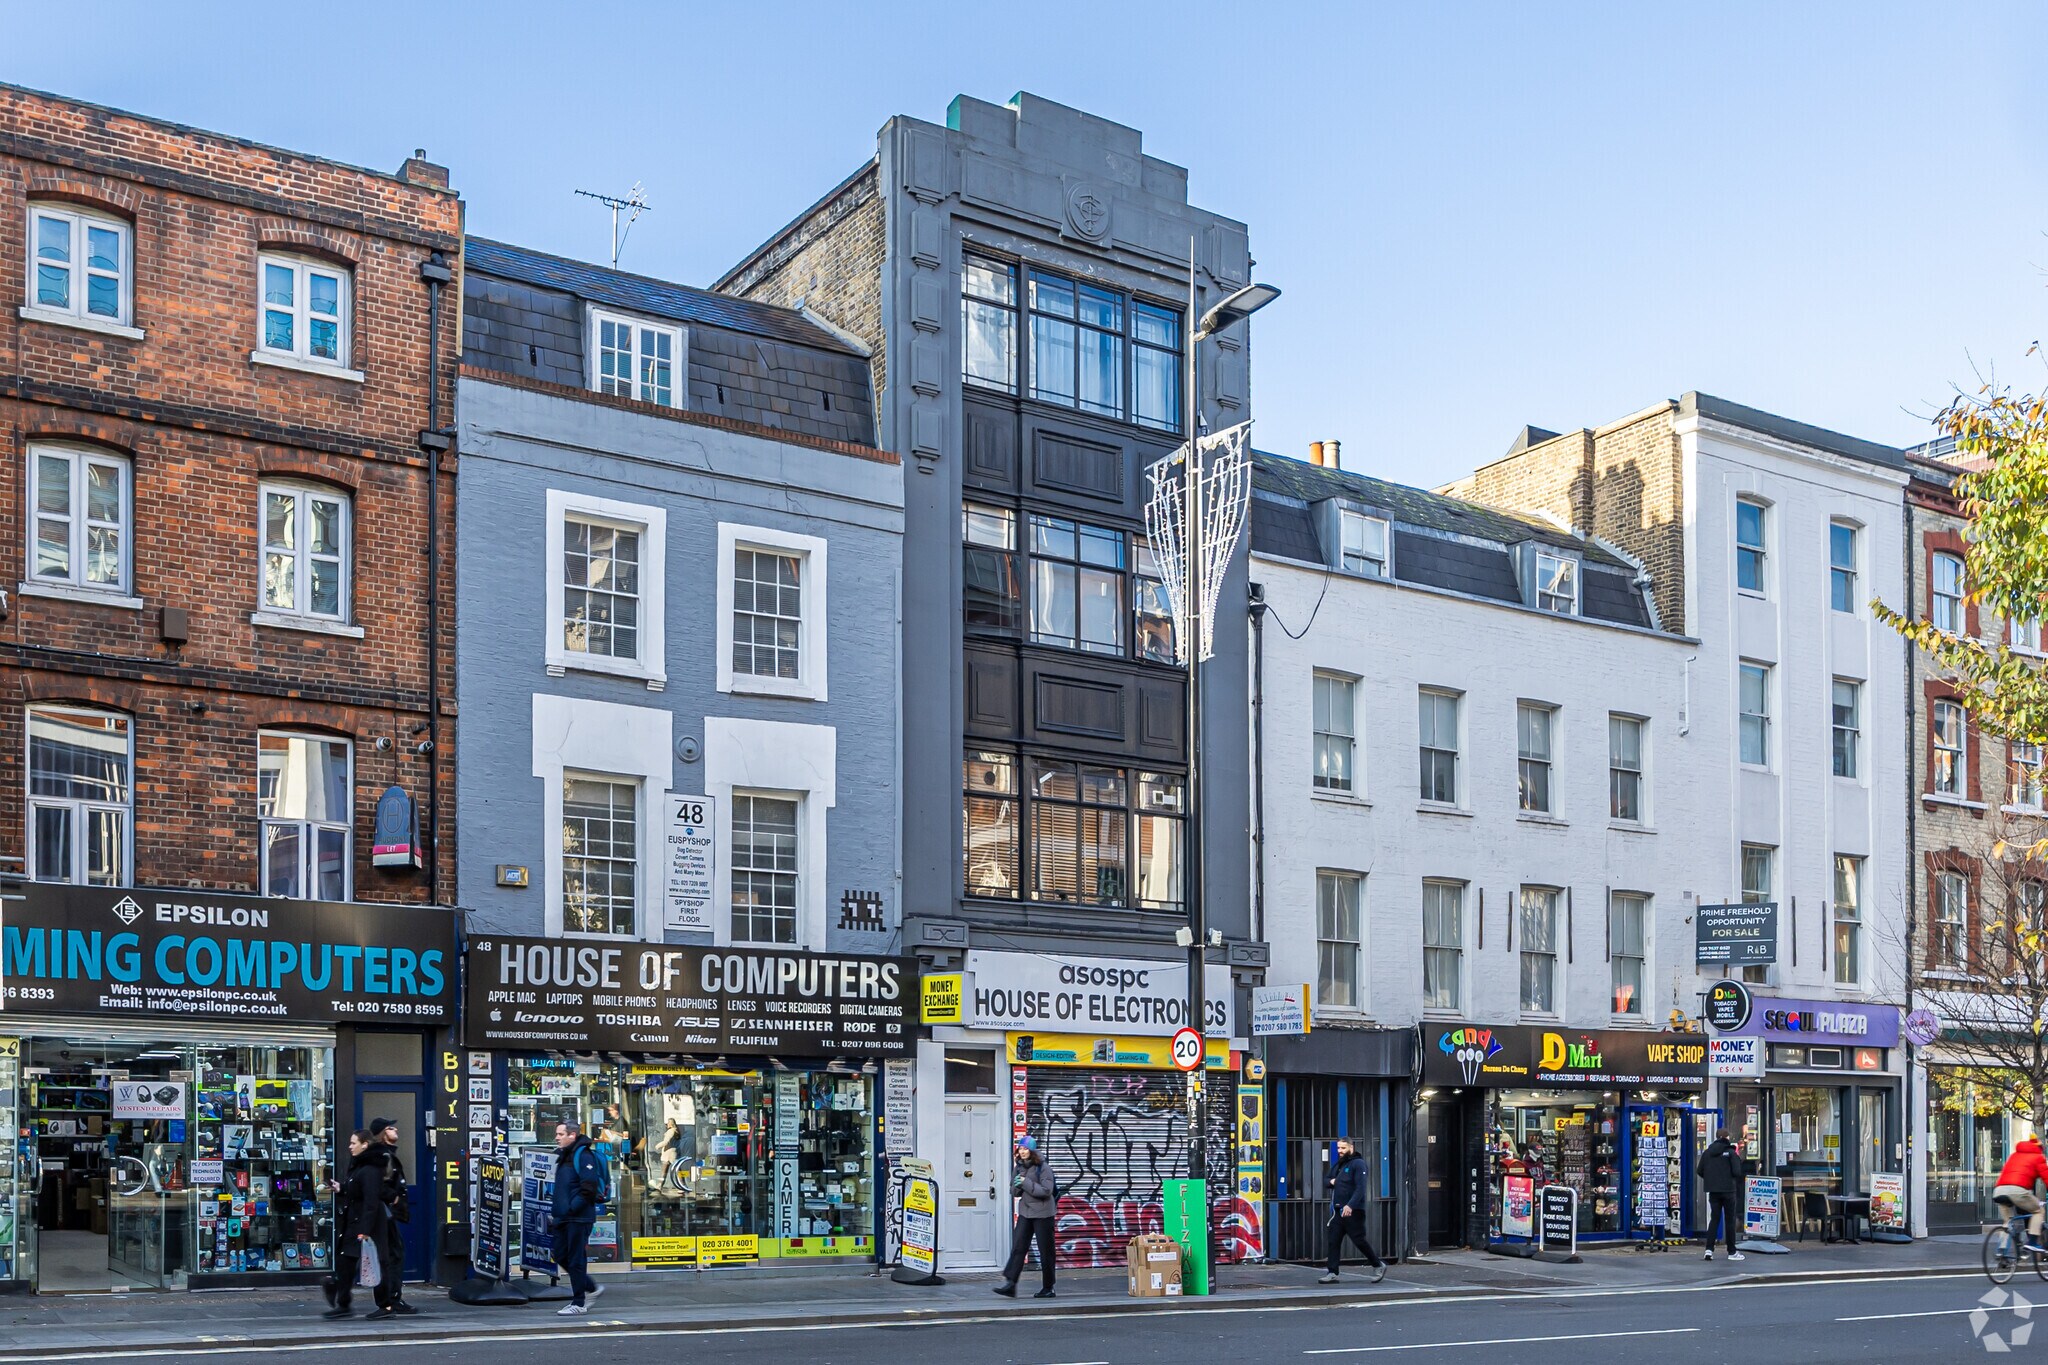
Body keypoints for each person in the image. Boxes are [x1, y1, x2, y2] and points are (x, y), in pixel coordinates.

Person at [322, 1130, 391, 1320]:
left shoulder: (370, 1170)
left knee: (375, 1263)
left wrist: (365, 1232)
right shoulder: (360, 1166)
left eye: (354, 1143)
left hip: (367, 1226)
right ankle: (343, 1304)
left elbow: (371, 1202)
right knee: (345, 1262)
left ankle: (385, 1306)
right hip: (354, 1223)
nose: (350, 1146)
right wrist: (341, 1188)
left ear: (365, 1144)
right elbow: (356, 1191)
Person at [551, 1120, 608, 1316]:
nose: (557, 1137)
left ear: (572, 1135)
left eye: (560, 1134)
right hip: (563, 1217)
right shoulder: (565, 1155)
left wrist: (571, 1209)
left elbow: (589, 1189)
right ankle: (591, 1288)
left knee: (576, 1259)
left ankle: (579, 1302)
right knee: (560, 1255)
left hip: (578, 1218)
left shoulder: (583, 1156)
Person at [993, 1135, 1058, 1300]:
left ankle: (1048, 1287)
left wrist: (1025, 1182)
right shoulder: (1019, 1167)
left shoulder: (1043, 1168)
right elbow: (1015, 1192)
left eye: (1025, 1149)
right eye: (1020, 1149)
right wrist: (1016, 1185)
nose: (1022, 1152)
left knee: (1046, 1251)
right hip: (1026, 1212)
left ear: (1032, 1151)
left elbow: (1046, 1191)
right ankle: (1011, 1284)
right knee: (1018, 1247)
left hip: (1043, 1213)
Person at [1318, 1137, 1386, 1285]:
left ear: (1351, 1147)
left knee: (1359, 1240)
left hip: (1354, 1211)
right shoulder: (1339, 1165)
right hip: (1338, 1212)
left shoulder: (1358, 1164)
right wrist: (1332, 1181)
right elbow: (1326, 1180)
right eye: (1338, 1148)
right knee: (1333, 1241)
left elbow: (1361, 1188)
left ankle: (1377, 1265)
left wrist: (1350, 1205)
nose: (1340, 1151)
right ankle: (1332, 1272)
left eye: (1343, 1148)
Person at [369, 1118, 416, 1315]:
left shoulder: (386, 1154)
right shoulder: (383, 1156)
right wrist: (394, 1197)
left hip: (387, 1213)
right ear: (382, 1134)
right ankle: (388, 1301)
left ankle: (392, 1298)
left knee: (393, 1255)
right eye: (390, 1128)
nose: (395, 1129)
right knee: (389, 1257)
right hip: (384, 1213)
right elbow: (377, 1183)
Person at [1697, 1128, 1747, 1262]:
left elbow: (1700, 1170)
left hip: (1713, 1191)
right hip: (1729, 1190)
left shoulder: (1707, 1153)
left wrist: (1711, 1179)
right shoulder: (1730, 1152)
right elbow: (1737, 1172)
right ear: (1727, 1137)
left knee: (1714, 1219)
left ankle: (1708, 1250)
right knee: (1729, 1220)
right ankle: (1732, 1251)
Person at [1995, 1133, 2048, 1246]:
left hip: (1999, 1189)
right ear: (2039, 1148)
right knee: (2039, 1211)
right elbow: (2046, 1177)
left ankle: (2002, 1252)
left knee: (2007, 1222)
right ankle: (2033, 1242)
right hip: (2018, 1191)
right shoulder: (2038, 1157)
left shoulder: (2014, 1155)